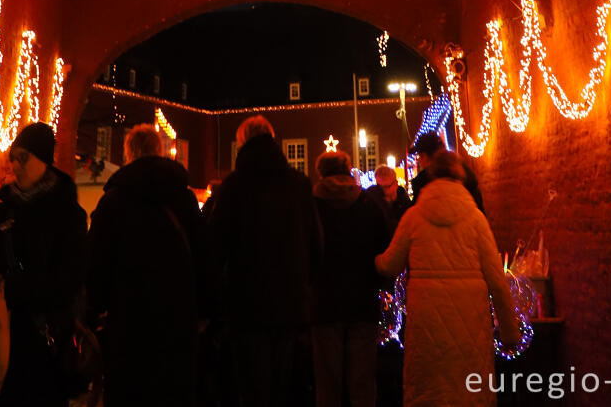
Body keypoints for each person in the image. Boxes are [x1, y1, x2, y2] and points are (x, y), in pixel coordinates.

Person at [0, 122, 86, 407]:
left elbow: (66, 282)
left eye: (23, 156)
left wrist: (6, 287)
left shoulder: (67, 214)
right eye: (13, 156)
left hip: (39, 353)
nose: (15, 163)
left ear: (43, 160)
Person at [376, 151, 519, 406]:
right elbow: (497, 281)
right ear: (460, 176)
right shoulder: (476, 219)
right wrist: (509, 333)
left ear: (431, 175)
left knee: (428, 391)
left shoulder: (414, 216)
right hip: (470, 320)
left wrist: (372, 258)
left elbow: (389, 264)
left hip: (426, 319)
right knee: (470, 392)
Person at [206, 115, 322, 407]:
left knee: (252, 387)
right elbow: (316, 244)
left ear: (242, 143)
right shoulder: (298, 185)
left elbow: (215, 248)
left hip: (247, 306)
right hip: (290, 304)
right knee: (284, 386)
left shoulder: (234, 187)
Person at [86, 122, 201, 407]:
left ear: (129, 154)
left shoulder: (113, 201)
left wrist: (94, 310)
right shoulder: (184, 199)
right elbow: (203, 254)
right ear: (159, 151)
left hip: (128, 324)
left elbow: (95, 261)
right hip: (177, 324)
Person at [311, 151, 390, 407]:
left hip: (324, 304)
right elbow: (384, 246)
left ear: (321, 173)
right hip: (362, 301)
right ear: (348, 171)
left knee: (327, 384)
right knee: (363, 383)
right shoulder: (367, 204)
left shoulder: (312, 205)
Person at [409, 132, 484, 211]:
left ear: (425, 157)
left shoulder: (423, 183)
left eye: (420, 156)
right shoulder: (466, 176)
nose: (419, 161)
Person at [373, 164, 410, 231]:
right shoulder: (372, 198)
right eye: (379, 187)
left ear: (395, 183)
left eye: (387, 186)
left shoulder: (404, 200)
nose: (383, 191)